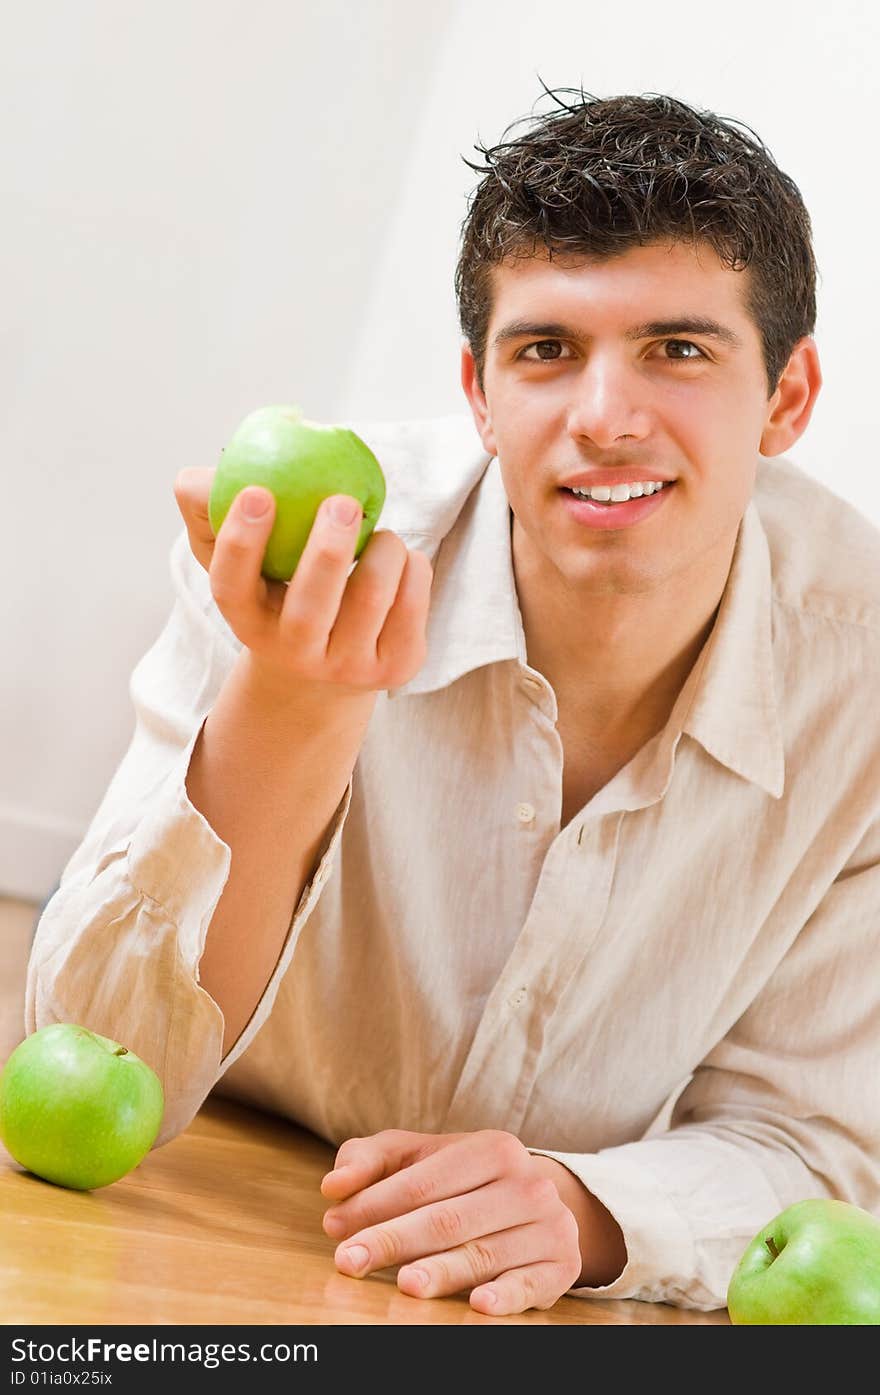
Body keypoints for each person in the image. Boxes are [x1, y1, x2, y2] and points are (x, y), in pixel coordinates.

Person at [27, 85, 880, 1316]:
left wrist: (591, 1212)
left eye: (678, 350)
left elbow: (817, 1155)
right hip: (230, 1207)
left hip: (532, 1301)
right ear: (479, 395)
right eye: (546, 352)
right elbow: (96, 1070)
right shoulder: (309, 559)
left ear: (787, 399)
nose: (603, 419)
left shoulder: (858, 682)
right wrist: (295, 706)